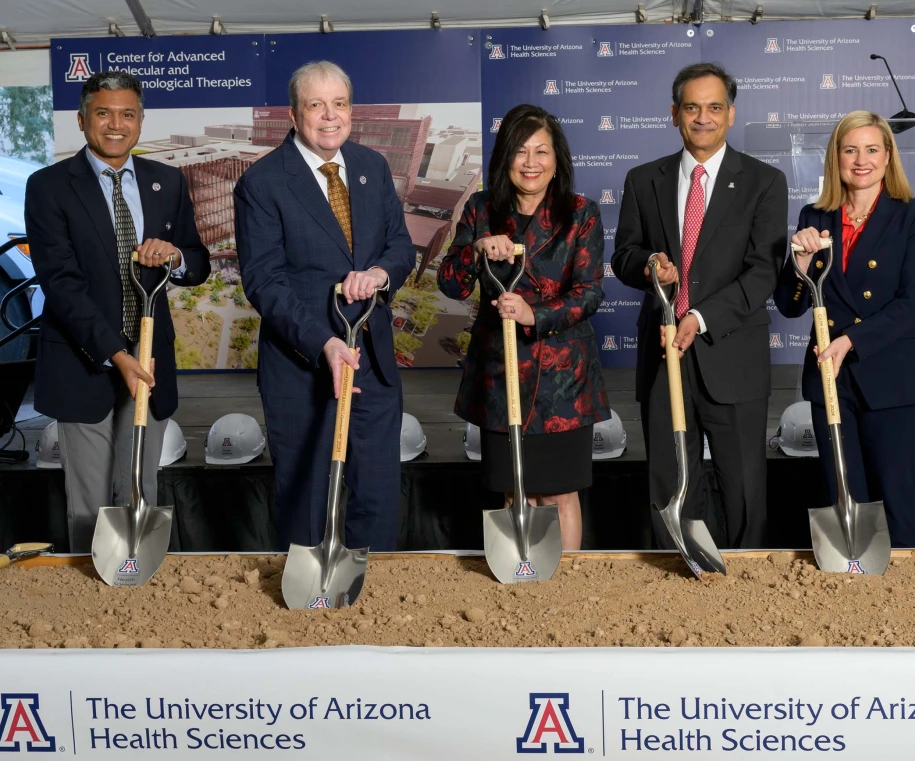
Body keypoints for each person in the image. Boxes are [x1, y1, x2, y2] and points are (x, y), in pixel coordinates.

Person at [24, 71, 209, 552]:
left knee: (137, 489)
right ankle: (92, 597)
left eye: (127, 113)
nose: (115, 124)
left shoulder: (165, 181)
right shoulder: (49, 186)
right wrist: (116, 354)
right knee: (88, 504)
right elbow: (61, 284)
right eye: (103, 112)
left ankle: (133, 586)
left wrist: (175, 257)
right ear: (83, 120)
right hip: (84, 361)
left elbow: (198, 260)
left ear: (140, 121)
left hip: (150, 361)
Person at [234, 61, 416, 551]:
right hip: (303, 367)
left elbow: (400, 246)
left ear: (352, 111)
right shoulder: (263, 182)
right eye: (316, 105)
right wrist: (325, 343)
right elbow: (264, 281)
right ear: (294, 114)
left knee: (377, 492)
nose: (329, 116)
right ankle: (311, 604)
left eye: (339, 104)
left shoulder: (371, 167)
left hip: (372, 363)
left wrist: (379, 274)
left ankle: (370, 597)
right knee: (305, 496)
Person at [612, 62, 787, 550]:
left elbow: (763, 271)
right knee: (671, 483)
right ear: (675, 114)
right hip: (664, 356)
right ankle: (678, 577)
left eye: (714, 107)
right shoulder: (643, 179)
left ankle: (748, 584)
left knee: (744, 488)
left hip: (732, 355)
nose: (703, 117)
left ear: (731, 114)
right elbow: (623, 254)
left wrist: (699, 316)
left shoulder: (764, 181)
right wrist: (650, 265)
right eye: (692, 107)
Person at [437, 104, 610, 551]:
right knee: (515, 490)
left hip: (563, 383)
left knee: (558, 493)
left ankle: (566, 584)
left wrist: (536, 314)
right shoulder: (481, 208)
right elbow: (450, 285)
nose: (530, 163)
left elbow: (590, 292)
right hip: (501, 375)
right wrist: (476, 250)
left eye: (541, 151)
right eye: (520, 151)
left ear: (557, 160)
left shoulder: (581, 213)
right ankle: (521, 583)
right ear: (504, 158)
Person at [773, 111, 915, 548]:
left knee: (896, 500)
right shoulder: (815, 215)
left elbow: (912, 304)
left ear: (888, 157)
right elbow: (790, 305)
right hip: (832, 380)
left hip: (895, 379)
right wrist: (801, 264)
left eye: (871, 149)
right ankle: (853, 598)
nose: (861, 160)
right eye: (850, 150)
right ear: (836, 158)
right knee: (844, 496)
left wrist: (851, 340)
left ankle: (904, 599)